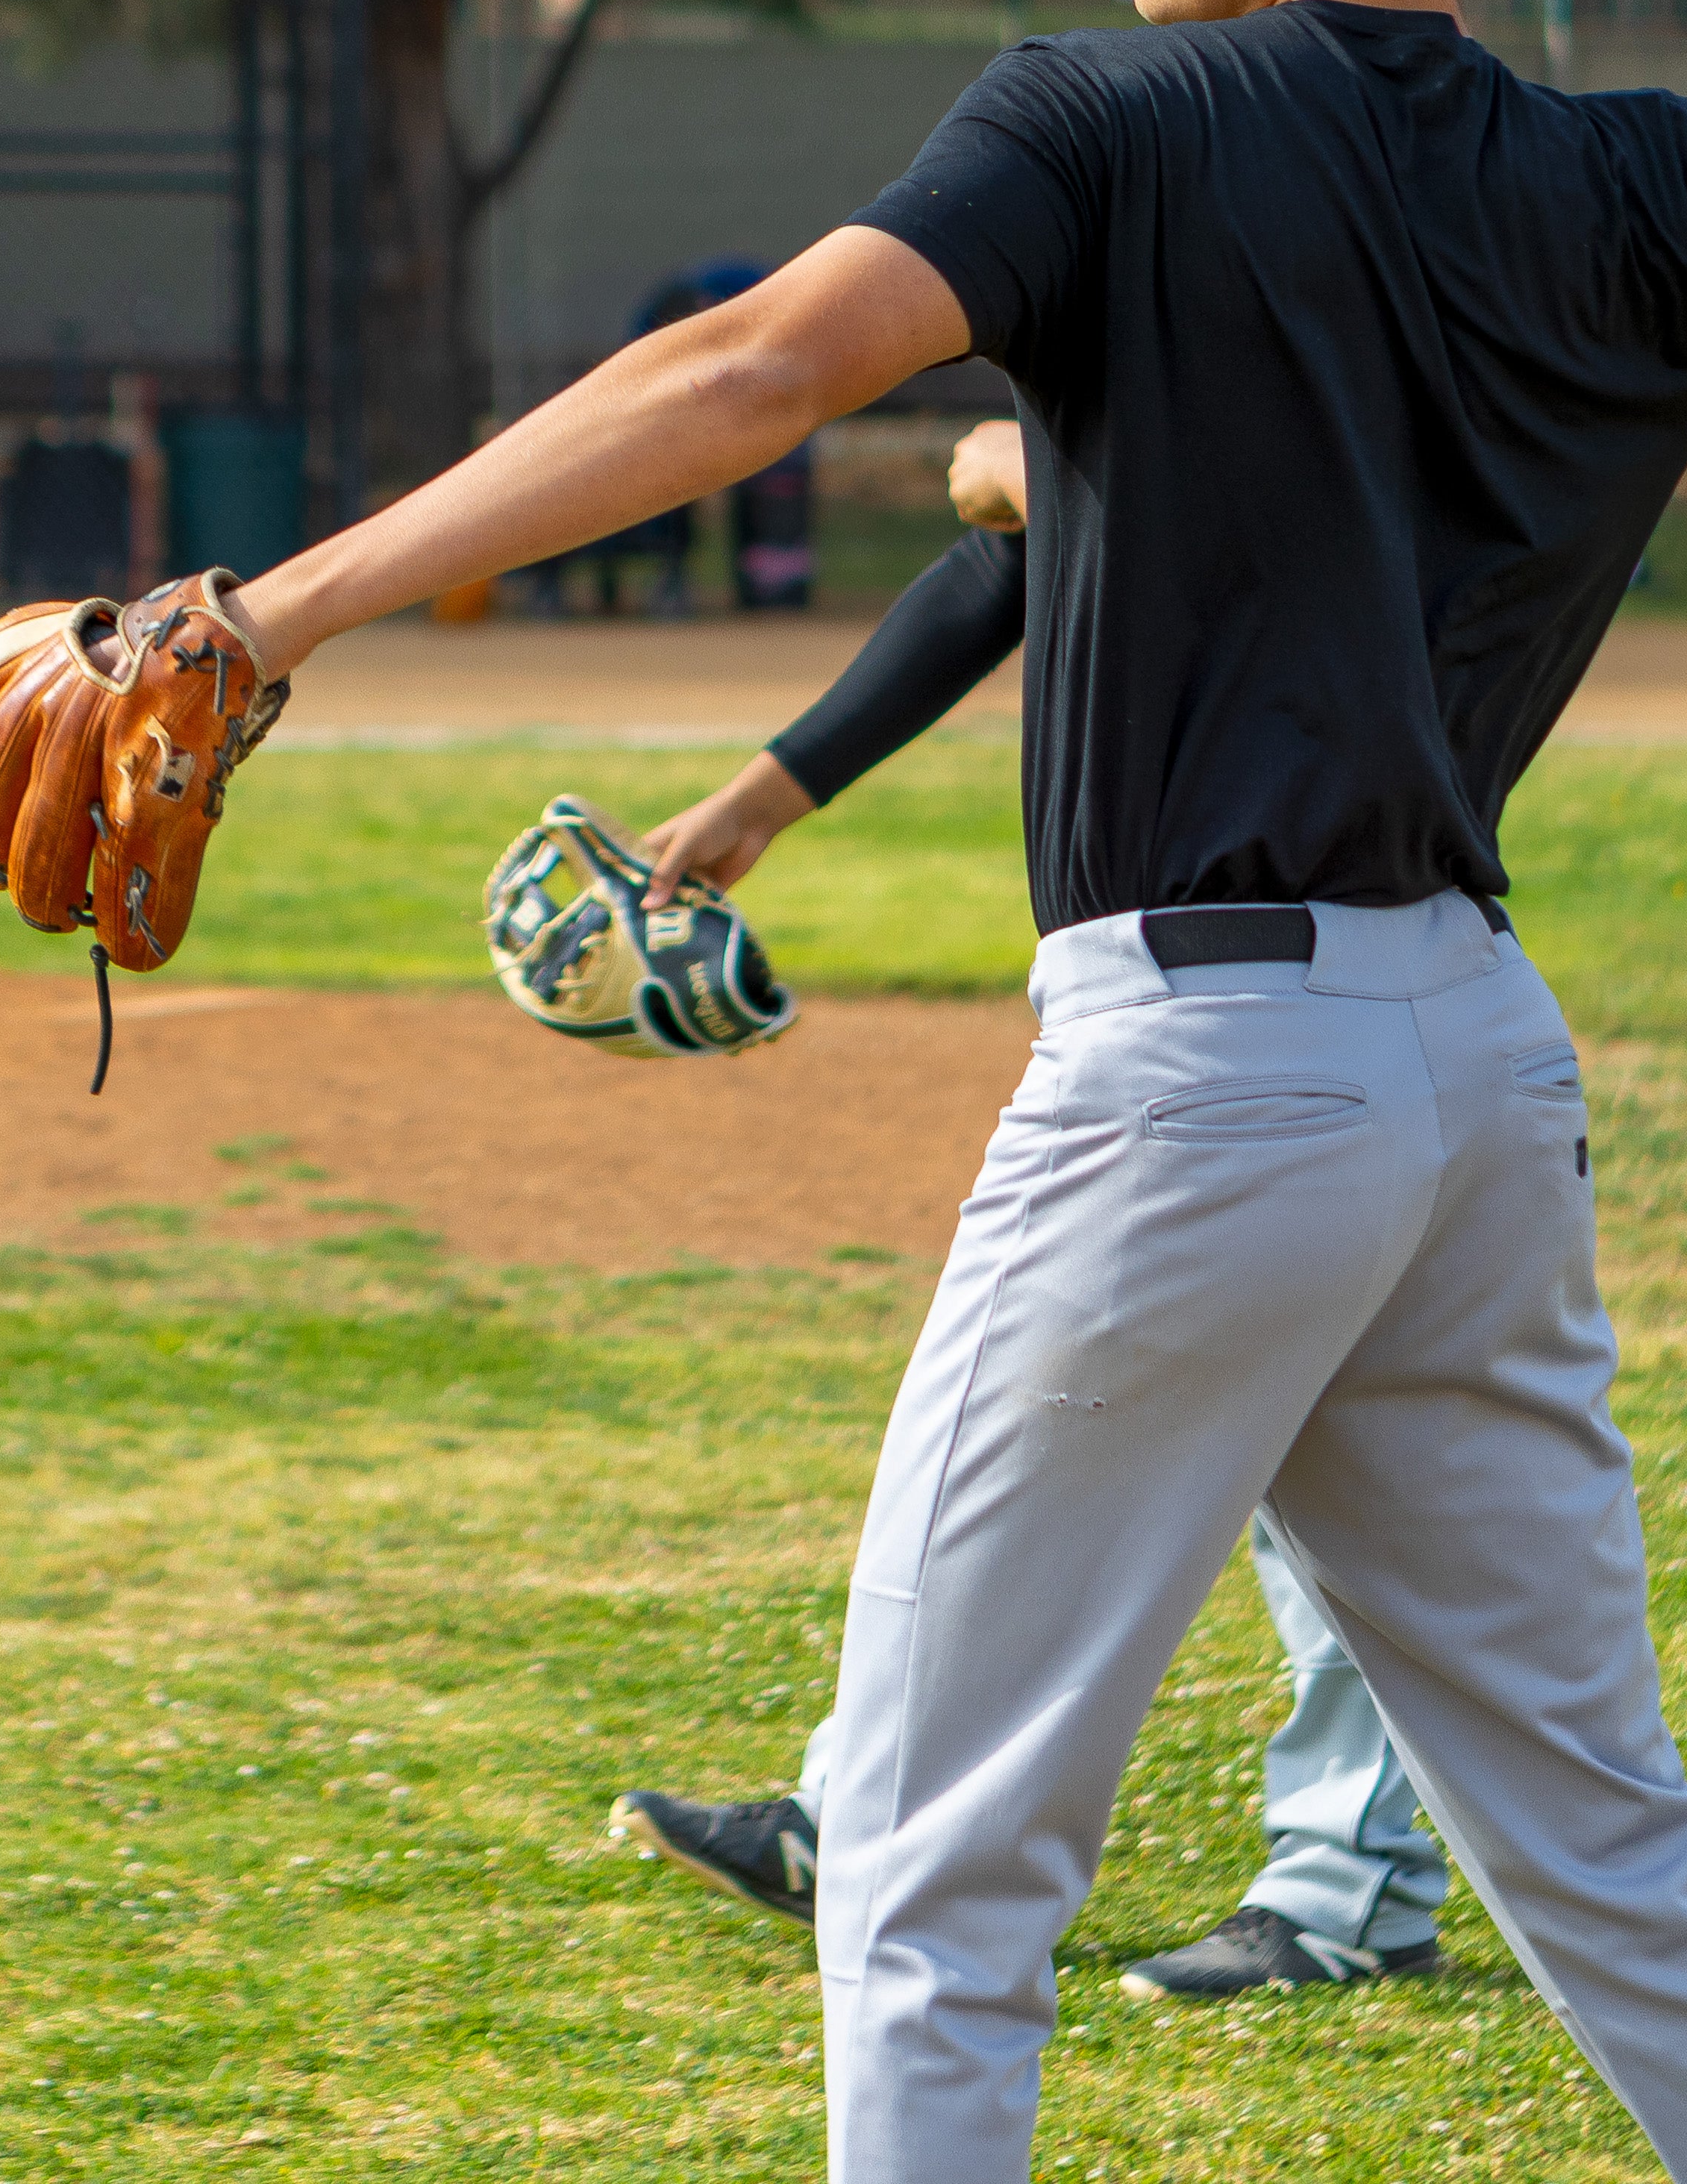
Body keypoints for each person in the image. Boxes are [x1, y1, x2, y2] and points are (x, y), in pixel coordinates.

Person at [225, 0, 1687, 2183]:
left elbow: (752, 370)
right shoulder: (1650, 195)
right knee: (1611, 1840)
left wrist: (272, 614)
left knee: (930, 1874)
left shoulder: (1101, 122)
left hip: (1202, 1087)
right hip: (1473, 1085)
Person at [613, 417, 1450, 1997]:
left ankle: (1348, 1885)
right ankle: (880, 1814)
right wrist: (772, 792)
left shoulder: (1375, 274)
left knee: (1283, 1434)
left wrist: (1036, 447)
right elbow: (1016, 550)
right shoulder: (1211, 245)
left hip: (1338, 954)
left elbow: (1123, 485)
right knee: (1073, 1412)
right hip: (1214, 975)